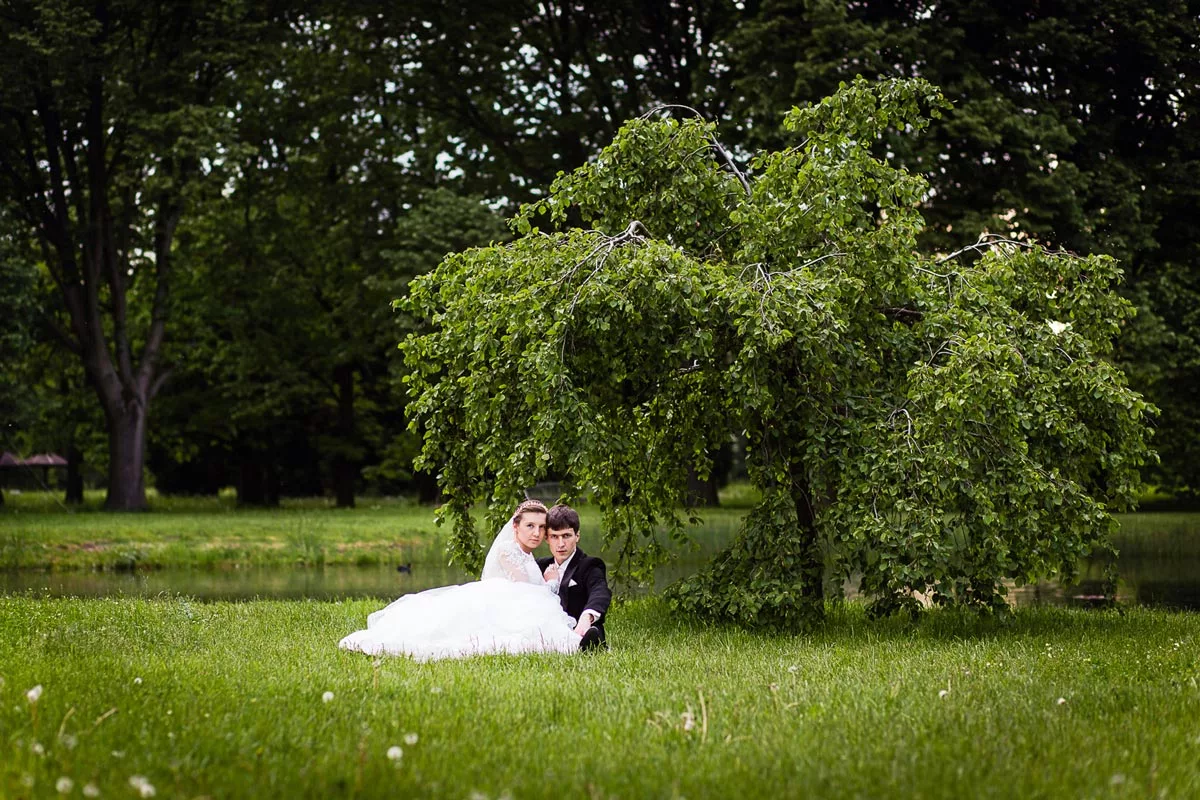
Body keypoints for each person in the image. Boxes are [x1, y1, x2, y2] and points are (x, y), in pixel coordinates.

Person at [338, 499, 581, 661]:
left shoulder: (527, 556)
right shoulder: (508, 550)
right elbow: (523, 594)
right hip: (500, 608)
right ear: (515, 527)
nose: (536, 533)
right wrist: (550, 583)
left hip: (509, 607)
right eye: (530, 526)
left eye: (541, 527)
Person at [538, 504, 612, 651]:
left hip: (581, 630)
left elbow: (600, 591)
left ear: (577, 536)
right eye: (554, 537)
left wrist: (587, 617)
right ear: (547, 538)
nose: (561, 544)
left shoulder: (590, 565)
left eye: (566, 536)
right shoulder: (539, 567)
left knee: (590, 634)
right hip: (547, 632)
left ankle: (588, 644)